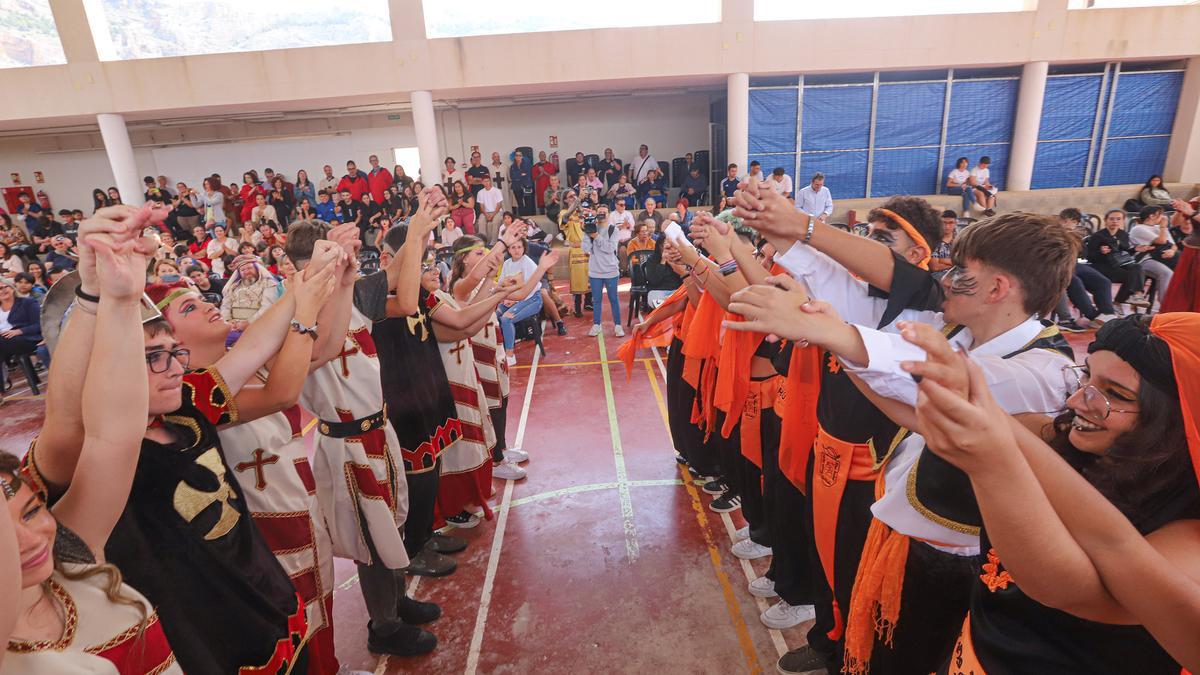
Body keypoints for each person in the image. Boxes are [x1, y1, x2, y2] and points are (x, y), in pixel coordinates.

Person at [730, 187, 1080, 673]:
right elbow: (903, 397)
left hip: (952, 561)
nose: (948, 281)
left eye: (962, 274)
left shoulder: (1044, 370)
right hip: (904, 527)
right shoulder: (960, 332)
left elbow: (933, 380)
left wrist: (836, 333)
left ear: (998, 289)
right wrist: (835, 334)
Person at [22, 204, 310, 673]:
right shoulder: (95, 460)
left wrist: (307, 288)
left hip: (256, 599)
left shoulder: (186, 409)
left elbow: (256, 346)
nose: (175, 366)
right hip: (199, 636)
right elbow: (74, 423)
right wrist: (97, 295)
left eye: (173, 352)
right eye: (153, 357)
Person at [906, 313, 1200, 675]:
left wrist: (995, 462)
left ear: (1177, 422)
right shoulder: (1067, 442)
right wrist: (846, 341)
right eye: (1087, 375)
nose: (1077, 400)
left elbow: (1061, 588)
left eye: (1115, 394)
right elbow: (935, 416)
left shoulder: (1189, 535)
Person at [0, 234, 185, 674]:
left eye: (30, 513)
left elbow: (112, 435)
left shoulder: (71, 562)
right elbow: (69, 425)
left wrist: (110, 295)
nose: (29, 539)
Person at [285, 216, 444, 656]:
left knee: (390, 522)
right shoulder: (295, 313)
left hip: (378, 428)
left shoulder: (352, 293)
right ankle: (384, 625)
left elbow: (402, 287)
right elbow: (320, 353)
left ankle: (396, 601)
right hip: (346, 441)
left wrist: (415, 235)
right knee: (370, 538)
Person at [497, 238, 555, 363]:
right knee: (494, 315)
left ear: (524, 248)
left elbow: (531, 287)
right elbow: (502, 283)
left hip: (531, 299)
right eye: (513, 247)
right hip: (512, 299)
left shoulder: (527, 263)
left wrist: (514, 301)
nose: (517, 250)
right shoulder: (507, 263)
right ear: (508, 249)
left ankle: (510, 355)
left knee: (506, 319)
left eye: (519, 247)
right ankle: (500, 347)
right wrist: (505, 298)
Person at [1087, 209, 1151, 308]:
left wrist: (1135, 249)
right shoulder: (1097, 236)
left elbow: (1123, 253)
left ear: (1123, 221)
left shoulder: (1123, 234)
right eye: (1111, 219)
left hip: (1118, 264)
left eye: (1118, 219)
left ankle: (1136, 295)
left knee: (1137, 268)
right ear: (1106, 220)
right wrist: (1101, 252)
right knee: (1132, 276)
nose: (1115, 221)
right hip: (1102, 265)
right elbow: (1089, 257)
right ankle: (1119, 302)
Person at [583, 206, 624, 338]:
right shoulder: (589, 229)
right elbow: (585, 249)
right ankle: (596, 325)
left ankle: (618, 325)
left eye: (604, 213)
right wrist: (588, 233)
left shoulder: (613, 230)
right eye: (599, 213)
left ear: (608, 215)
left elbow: (610, 248)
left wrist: (597, 236)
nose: (601, 215)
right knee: (596, 300)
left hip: (611, 270)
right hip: (595, 271)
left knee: (613, 299)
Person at [0, 277, 40, 392]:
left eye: (5, 287)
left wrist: (18, 331)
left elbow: (38, 325)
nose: (2, 290)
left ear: (12, 288)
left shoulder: (28, 302)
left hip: (27, 338)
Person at [222, 254, 284, 330]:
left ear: (257, 269)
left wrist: (249, 322)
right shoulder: (233, 287)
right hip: (234, 327)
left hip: (260, 326)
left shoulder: (269, 284)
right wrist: (228, 321)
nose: (246, 271)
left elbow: (267, 307)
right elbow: (225, 306)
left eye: (249, 268)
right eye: (243, 270)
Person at [477, 174, 506, 243]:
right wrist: (486, 215)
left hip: (497, 211)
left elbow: (499, 205)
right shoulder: (480, 192)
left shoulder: (497, 191)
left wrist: (492, 215)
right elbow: (481, 206)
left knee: (495, 222)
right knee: (481, 222)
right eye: (485, 181)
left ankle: (493, 242)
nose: (487, 183)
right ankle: (483, 241)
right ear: (482, 182)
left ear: (490, 181)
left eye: (488, 181)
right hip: (486, 212)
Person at [509, 150, 535, 216]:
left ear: (522, 156)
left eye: (520, 155)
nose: (518, 157)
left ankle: (529, 219)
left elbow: (527, 175)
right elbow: (512, 177)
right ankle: (522, 219)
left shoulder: (527, 164)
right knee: (520, 204)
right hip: (516, 187)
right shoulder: (512, 166)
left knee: (528, 204)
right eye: (517, 155)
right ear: (514, 157)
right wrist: (521, 175)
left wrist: (518, 176)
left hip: (527, 186)